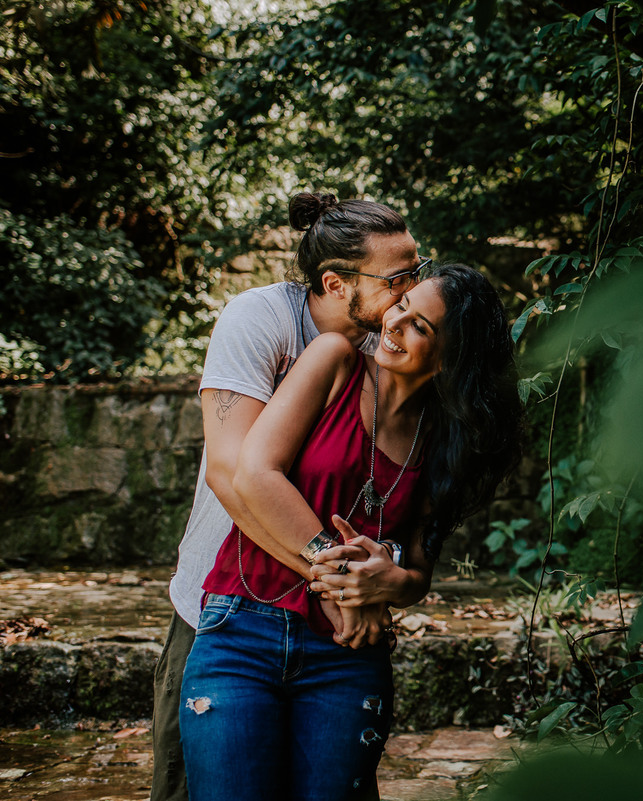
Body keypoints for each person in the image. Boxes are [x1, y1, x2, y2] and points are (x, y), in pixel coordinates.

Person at [177, 262, 523, 801]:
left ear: (452, 357)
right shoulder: (335, 358)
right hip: (243, 626)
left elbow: (417, 575)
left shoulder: (445, 442)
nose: (394, 323)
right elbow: (254, 473)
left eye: (420, 326)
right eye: (401, 307)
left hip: (346, 655)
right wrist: (342, 583)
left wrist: (388, 581)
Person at [151, 192, 428, 801]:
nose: (413, 289)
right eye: (399, 277)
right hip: (221, 605)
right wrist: (340, 586)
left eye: (419, 270)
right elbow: (233, 474)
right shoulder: (263, 320)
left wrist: (378, 584)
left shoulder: (388, 348)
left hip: (330, 632)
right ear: (335, 282)